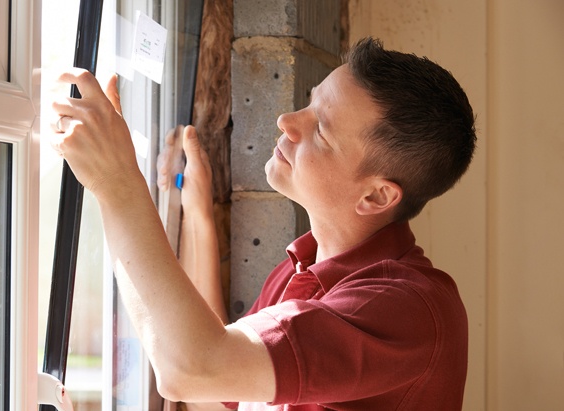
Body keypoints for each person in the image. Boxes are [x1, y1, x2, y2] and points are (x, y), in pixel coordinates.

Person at [50, 37, 476, 410]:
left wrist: (116, 181)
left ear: (376, 196)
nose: (287, 122)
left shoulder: (408, 310)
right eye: (310, 102)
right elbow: (216, 390)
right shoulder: (297, 272)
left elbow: (193, 370)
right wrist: (198, 216)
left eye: (322, 130)